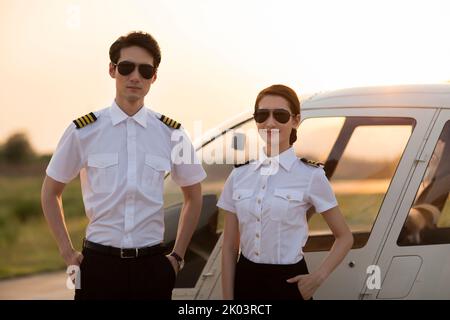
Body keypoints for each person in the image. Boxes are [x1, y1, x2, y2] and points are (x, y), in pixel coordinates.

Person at [41, 31, 206, 300]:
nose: (135, 77)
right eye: (127, 67)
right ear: (112, 70)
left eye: (145, 70)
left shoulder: (172, 133)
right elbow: (50, 192)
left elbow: (194, 196)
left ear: (154, 77)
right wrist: (67, 253)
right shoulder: (83, 130)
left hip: (152, 268)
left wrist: (177, 257)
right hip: (96, 266)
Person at [218, 84, 353, 300]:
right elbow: (229, 247)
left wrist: (317, 277)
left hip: (289, 284)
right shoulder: (239, 176)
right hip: (245, 281)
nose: (270, 122)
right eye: (262, 115)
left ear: (296, 120)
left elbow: (345, 237)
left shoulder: (311, 176)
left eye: (280, 115)